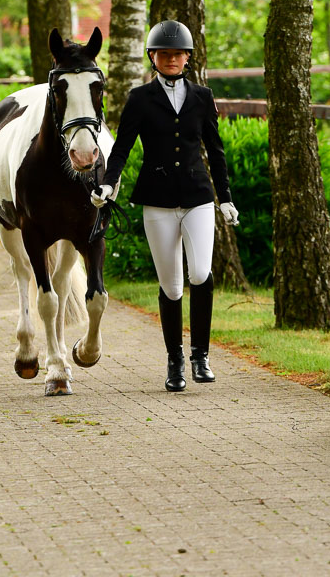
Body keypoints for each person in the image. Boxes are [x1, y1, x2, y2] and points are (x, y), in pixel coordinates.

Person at [91, 20, 239, 392]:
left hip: (198, 198)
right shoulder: (140, 98)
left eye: (178, 54)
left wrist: (226, 198)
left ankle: (200, 356)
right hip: (156, 201)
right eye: (164, 54)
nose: (171, 59)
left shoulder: (202, 96)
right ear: (153, 57)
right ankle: (175, 363)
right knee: (172, 287)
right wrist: (108, 183)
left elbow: (215, 151)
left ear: (187, 58)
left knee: (200, 274)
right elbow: (122, 147)